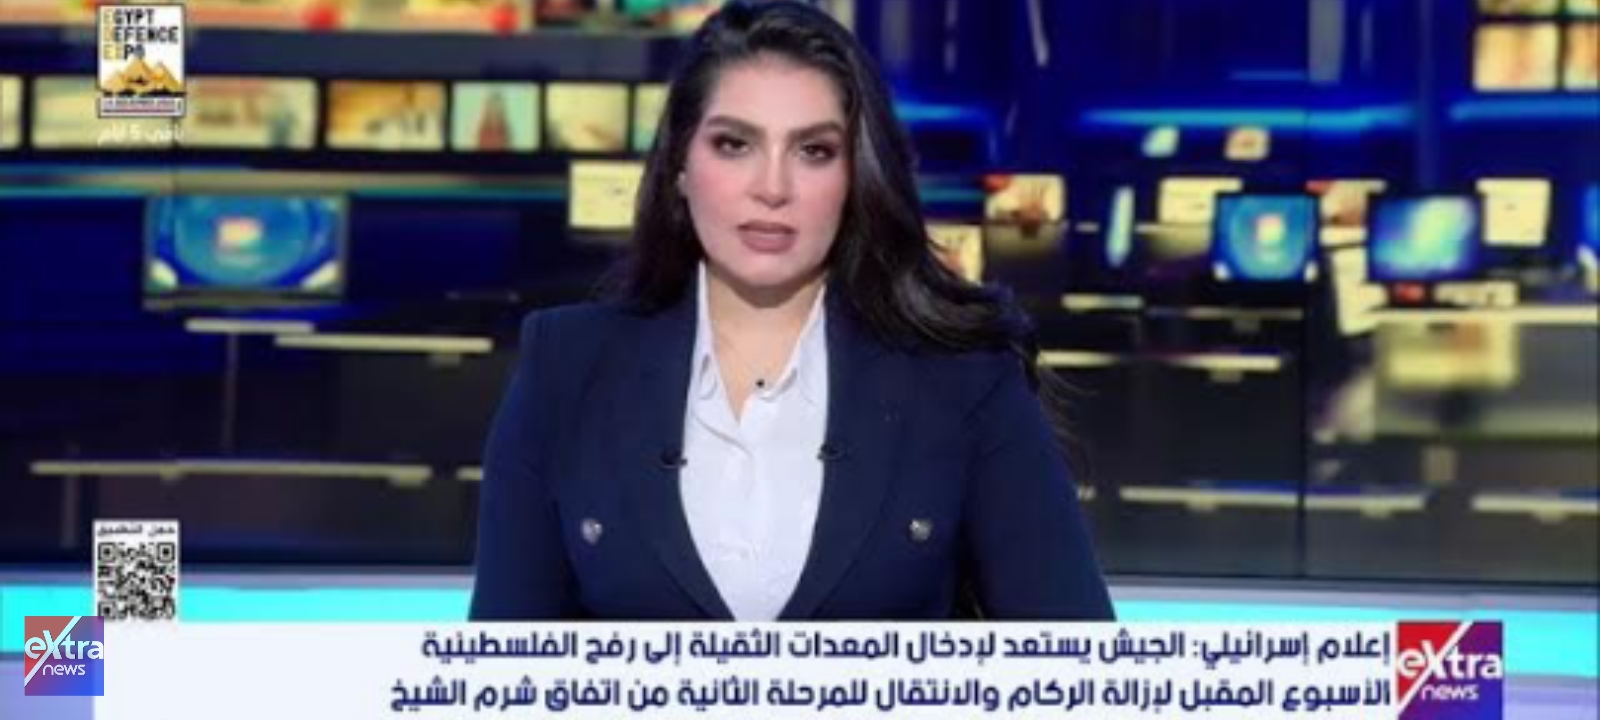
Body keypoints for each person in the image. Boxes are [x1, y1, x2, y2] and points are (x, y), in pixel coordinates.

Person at [470, 0, 1113, 621]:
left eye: (814, 151)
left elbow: (1078, 664)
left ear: (856, 177)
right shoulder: (565, 368)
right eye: (734, 144)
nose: (772, 188)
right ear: (680, 167)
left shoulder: (966, 377)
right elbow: (498, 668)